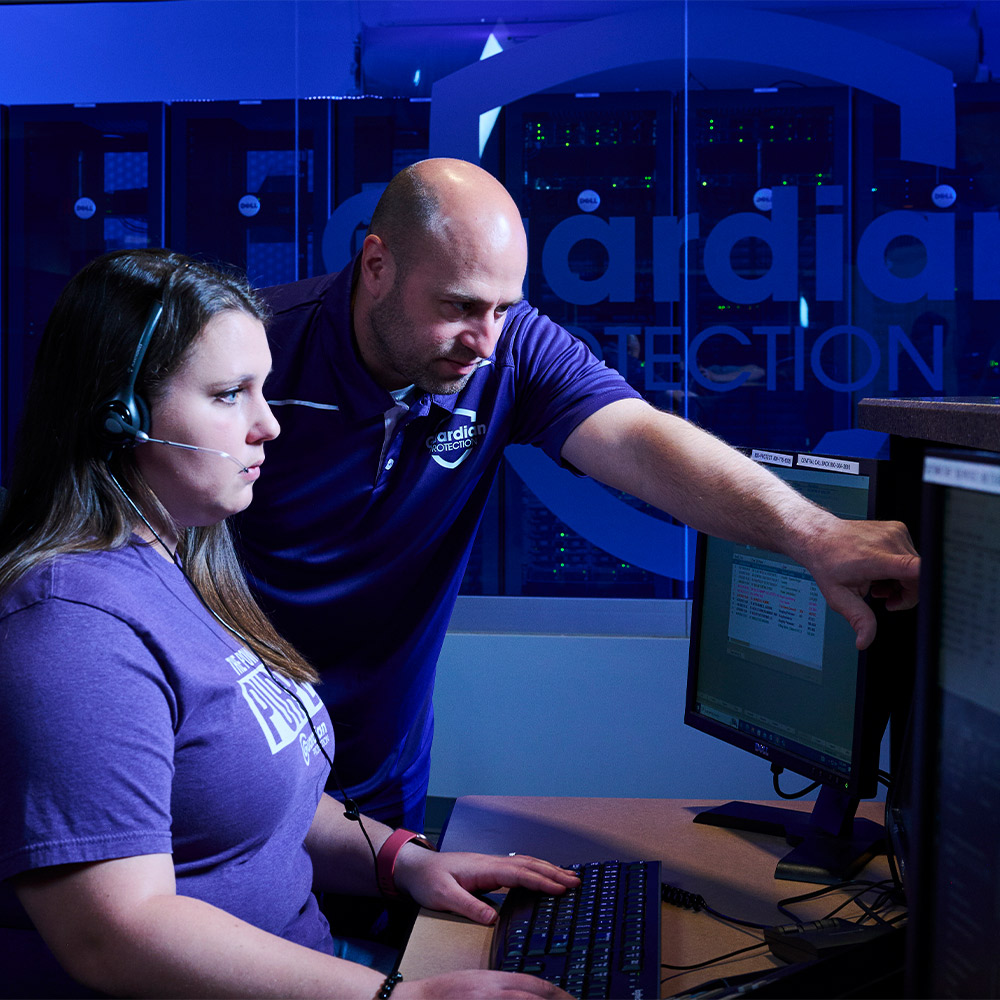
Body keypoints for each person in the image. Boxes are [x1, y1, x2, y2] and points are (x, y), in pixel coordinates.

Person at [235, 157, 921, 833]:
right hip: (231, 771)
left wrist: (815, 534)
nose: (484, 341)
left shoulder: (509, 351)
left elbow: (640, 442)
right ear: (376, 265)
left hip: (377, 780)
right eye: (459, 307)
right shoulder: (252, 353)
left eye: (503, 308)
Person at [0, 248, 580, 1000]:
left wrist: (403, 861)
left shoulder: (185, 566)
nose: (267, 425)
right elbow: (113, 934)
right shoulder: (70, 632)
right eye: (228, 394)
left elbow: (249, 798)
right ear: (122, 414)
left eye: (263, 390)